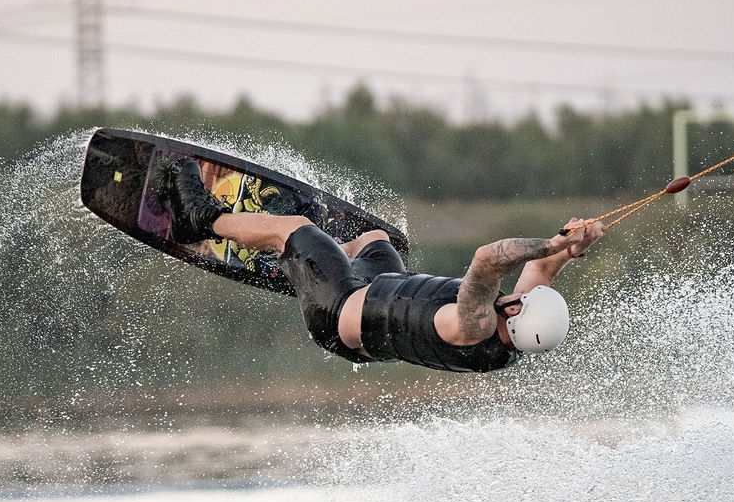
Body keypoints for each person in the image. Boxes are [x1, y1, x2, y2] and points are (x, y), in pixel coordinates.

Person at [153, 158, 604, 373]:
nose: (520, 296)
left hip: (337, 312)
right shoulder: (514, 335)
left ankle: (203, 218)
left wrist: (549, 242)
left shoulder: (475, 326)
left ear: (515, 312)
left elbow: (487, 259)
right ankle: (291, 263)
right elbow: (540, 273)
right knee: (373, 237)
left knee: (295, 228)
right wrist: (571, 246)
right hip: (376, 286)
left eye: (522, 300)